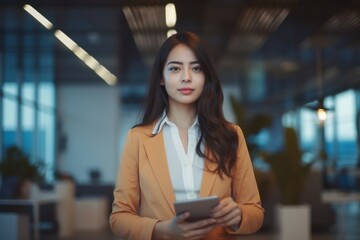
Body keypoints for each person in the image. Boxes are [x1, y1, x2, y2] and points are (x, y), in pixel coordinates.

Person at [110, 31, 264, 240]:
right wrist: (161, 230)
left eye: (196, 68)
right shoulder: (138, 138)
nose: (186, 77)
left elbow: (255, 213)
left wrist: (238, 214)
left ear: (206, 76)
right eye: (175, 68)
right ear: (161, 79)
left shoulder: (231, 135)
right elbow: (119, 218)